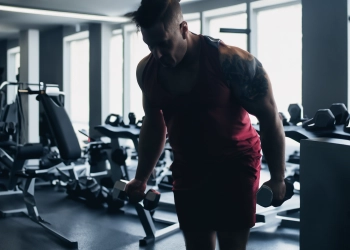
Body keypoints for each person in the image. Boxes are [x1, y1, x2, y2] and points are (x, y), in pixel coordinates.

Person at [124, 0, 286, 249]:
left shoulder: (230, 62)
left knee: (231, 243)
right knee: (197, 243)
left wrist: (277, 178)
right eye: (150, 45)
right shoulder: (146, 70)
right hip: (188, 167)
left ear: (183, 29)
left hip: (235, 165)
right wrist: (141, 178)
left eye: (163, 43)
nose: (157, 54)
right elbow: (154, 123)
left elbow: (269, 116)